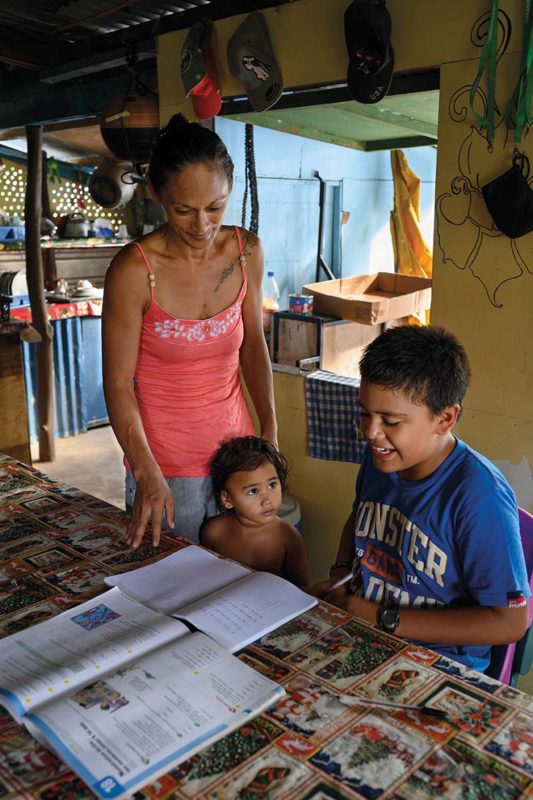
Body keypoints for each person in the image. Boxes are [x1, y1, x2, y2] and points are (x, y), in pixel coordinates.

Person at [311, 324, 529, 673]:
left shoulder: (479, 496)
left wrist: (385, 619)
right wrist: (340, 573)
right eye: (365, 412)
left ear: (445, 418)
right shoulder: (379, 458)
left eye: (391, 421)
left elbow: (510, 623)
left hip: (439, 663)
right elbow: (360, 516)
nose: (370, 432)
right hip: (367, 632)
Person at [102, 115, 277, 548]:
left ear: (229, 189)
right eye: (183, 210)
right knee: (172, 593)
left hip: (238, 463)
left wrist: (269, 436)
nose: (201, 225)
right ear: (156, 193)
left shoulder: (246, 251)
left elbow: (253, 348)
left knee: (238, 591)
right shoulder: (134, 270)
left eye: (215, 207)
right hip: (165, 467)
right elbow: (118, 384)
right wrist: (145, 472)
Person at [201, 436, 309, 588]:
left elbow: (302, 589)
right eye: (253, 491)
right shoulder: (215, 532)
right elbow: (205, 576)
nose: (267, 500)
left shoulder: (288, 537)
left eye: (272, 485)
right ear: (227, 499)